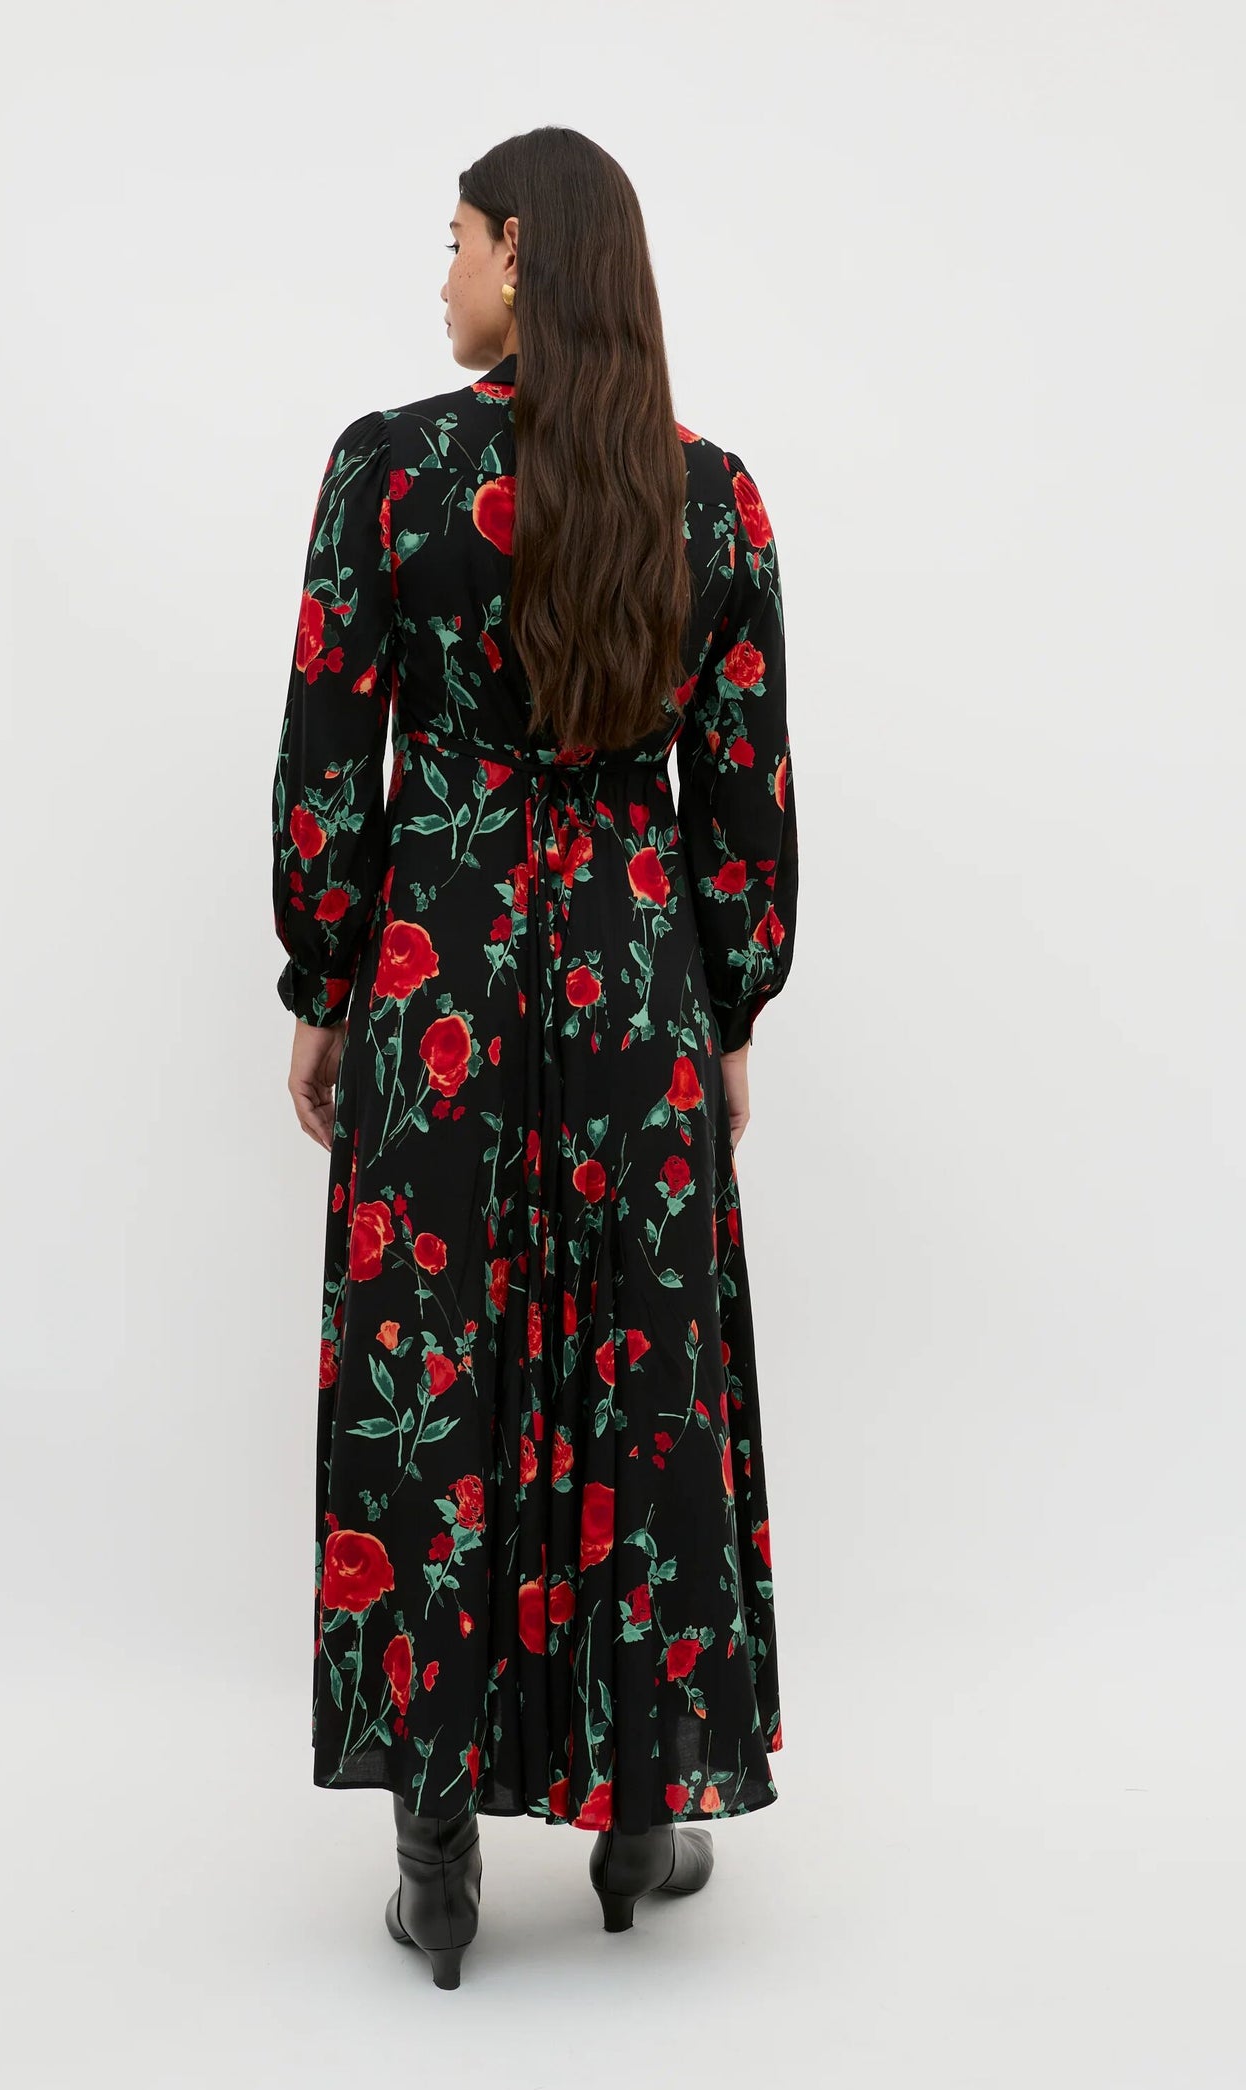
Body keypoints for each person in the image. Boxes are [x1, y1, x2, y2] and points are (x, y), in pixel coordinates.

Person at [270, 127, 798, 1989]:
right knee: (637, 1366)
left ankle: (435, 1840)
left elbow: (335, 753)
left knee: (442, 1358)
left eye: (459, 238)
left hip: (446, 971)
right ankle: (642, 1810)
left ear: (522, 257)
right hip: (636, 971)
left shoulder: (390, 474)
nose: (442, 275)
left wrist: (326, 983)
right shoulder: (710, 501)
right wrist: (726, 1008)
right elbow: (742, 800)